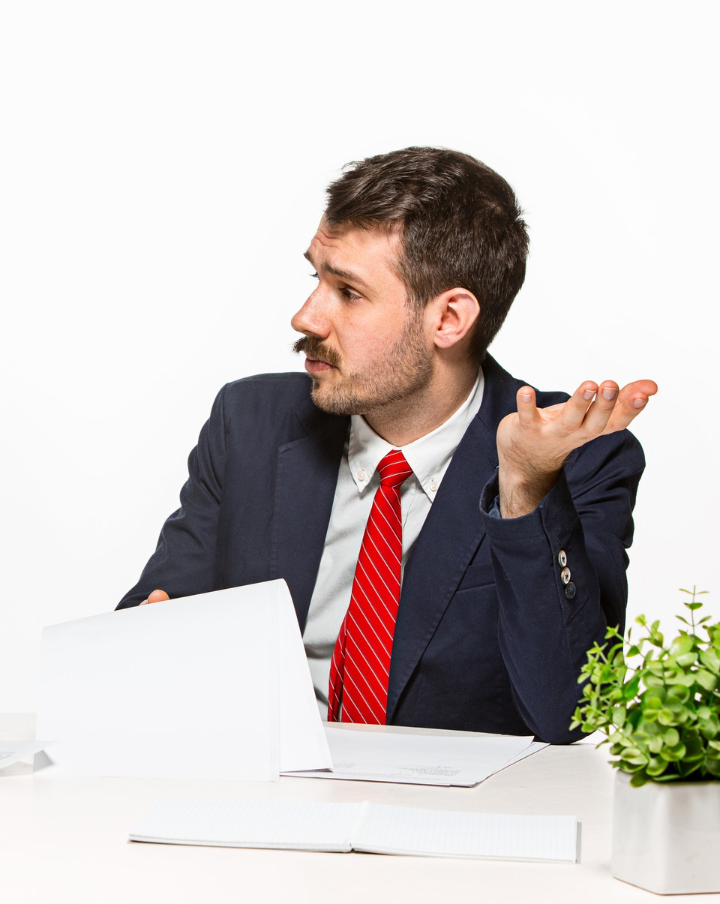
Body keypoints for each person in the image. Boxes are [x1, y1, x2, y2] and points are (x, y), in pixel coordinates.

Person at [118, 147, 656, 744]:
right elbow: (153, 620)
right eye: (316, 278)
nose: (306, 318)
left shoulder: (578, 456)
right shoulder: (250, 423)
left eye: (348, 292)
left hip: (450, 802)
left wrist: (526, 487)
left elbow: (569, 714)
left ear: (448, 320)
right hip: (264, 784)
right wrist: (146, 643)